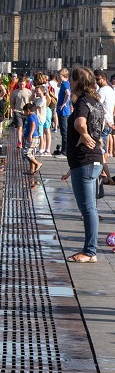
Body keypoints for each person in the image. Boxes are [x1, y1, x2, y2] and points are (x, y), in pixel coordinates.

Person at [65, 66, 105, 263]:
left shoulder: (82, 102)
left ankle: (90, 252)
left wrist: (84, 134)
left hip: (85, 161)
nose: (69, 83)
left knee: (88, 209)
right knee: (91, 208)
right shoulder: (96, 103)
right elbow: (102, 127)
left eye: (71, 80)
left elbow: (80, 123)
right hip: (93, 160)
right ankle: (90, 250)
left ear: (77, 82)